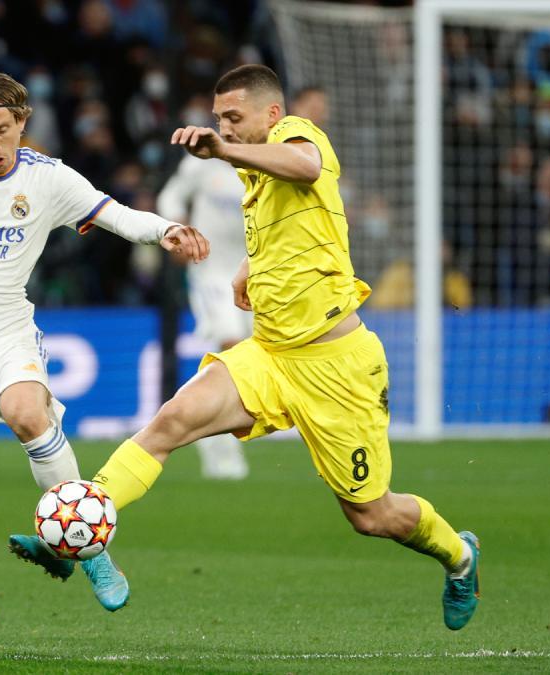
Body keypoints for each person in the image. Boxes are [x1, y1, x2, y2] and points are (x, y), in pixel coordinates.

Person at [26, 65, 481, 630]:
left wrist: (222, 150)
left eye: (234, 118)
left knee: (372, 514)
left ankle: (459, 557)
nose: (225, 128)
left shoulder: (301, 136)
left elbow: (305, 166)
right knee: (171, 420)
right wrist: (249, 269)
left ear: (272, 115)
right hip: (270, 355)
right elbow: (288, 226)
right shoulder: (254, 179)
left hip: (336, 367)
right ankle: (78, 524)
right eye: (218, 119)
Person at [0, 71, 208, 658]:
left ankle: (93, 550)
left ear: (22, 123)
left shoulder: (47, 180)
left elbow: (117, 215)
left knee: (28, 411)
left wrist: (168, 231)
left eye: (3, 129)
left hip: (7, 335)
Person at [156, 152, 250, 479]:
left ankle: (198, 418)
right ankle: (216, 446)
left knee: (244, 364)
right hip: (210, 272)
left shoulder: (264, 161)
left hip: (255, 273)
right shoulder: (201, 163)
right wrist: (179, 232)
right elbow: (170, 196)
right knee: (232, 349)